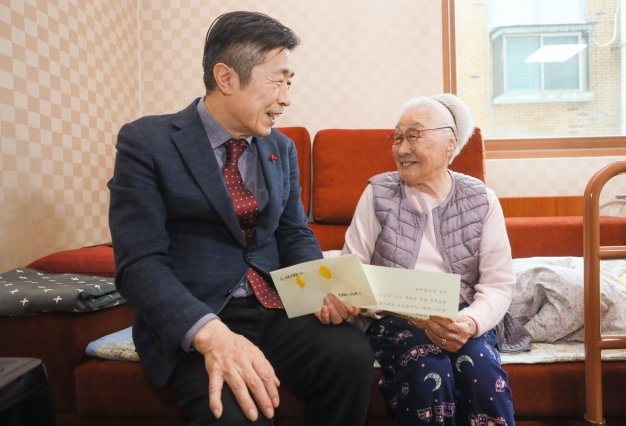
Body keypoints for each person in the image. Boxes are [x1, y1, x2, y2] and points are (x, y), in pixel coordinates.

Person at [108, 11, 373, 426]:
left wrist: (324, 287)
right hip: (200, 317)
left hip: (277, 308)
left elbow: (294, 232)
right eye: (278, 81)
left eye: (290, 83)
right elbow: (139, 264)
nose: (286, 98)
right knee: (234, 413)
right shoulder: (148, 142)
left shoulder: (281, 149)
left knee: (350, 355)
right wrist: (211, 336)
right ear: (227, 78)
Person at [342, 94, 518, 425]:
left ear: (449, 143)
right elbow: (351, 272)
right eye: (397, 137)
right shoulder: (378, 192)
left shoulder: (481, 199)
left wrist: (470, 323)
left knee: (481, 368)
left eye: (413, 135)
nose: (401, 148)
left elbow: (498, 283)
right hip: (395, 318)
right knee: (428, 371)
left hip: (460, 314)